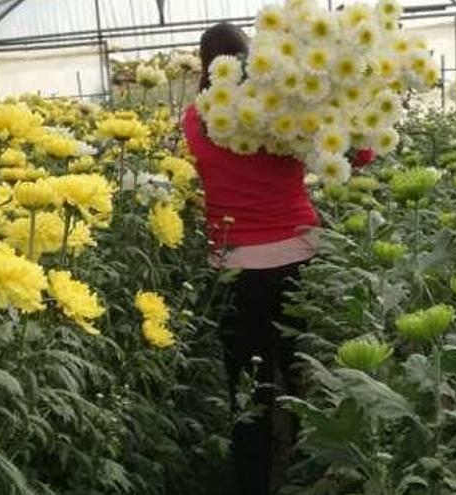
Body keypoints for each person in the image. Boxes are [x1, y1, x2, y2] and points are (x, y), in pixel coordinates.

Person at [182, 22, 318, 495]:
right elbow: (357, 154)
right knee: (302, 375)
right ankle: (307, 474)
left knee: (247, 385)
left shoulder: (195, 119)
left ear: (206, 66)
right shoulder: (288, 109)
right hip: (298, 257)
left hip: (232, 266)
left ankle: (253, 481)